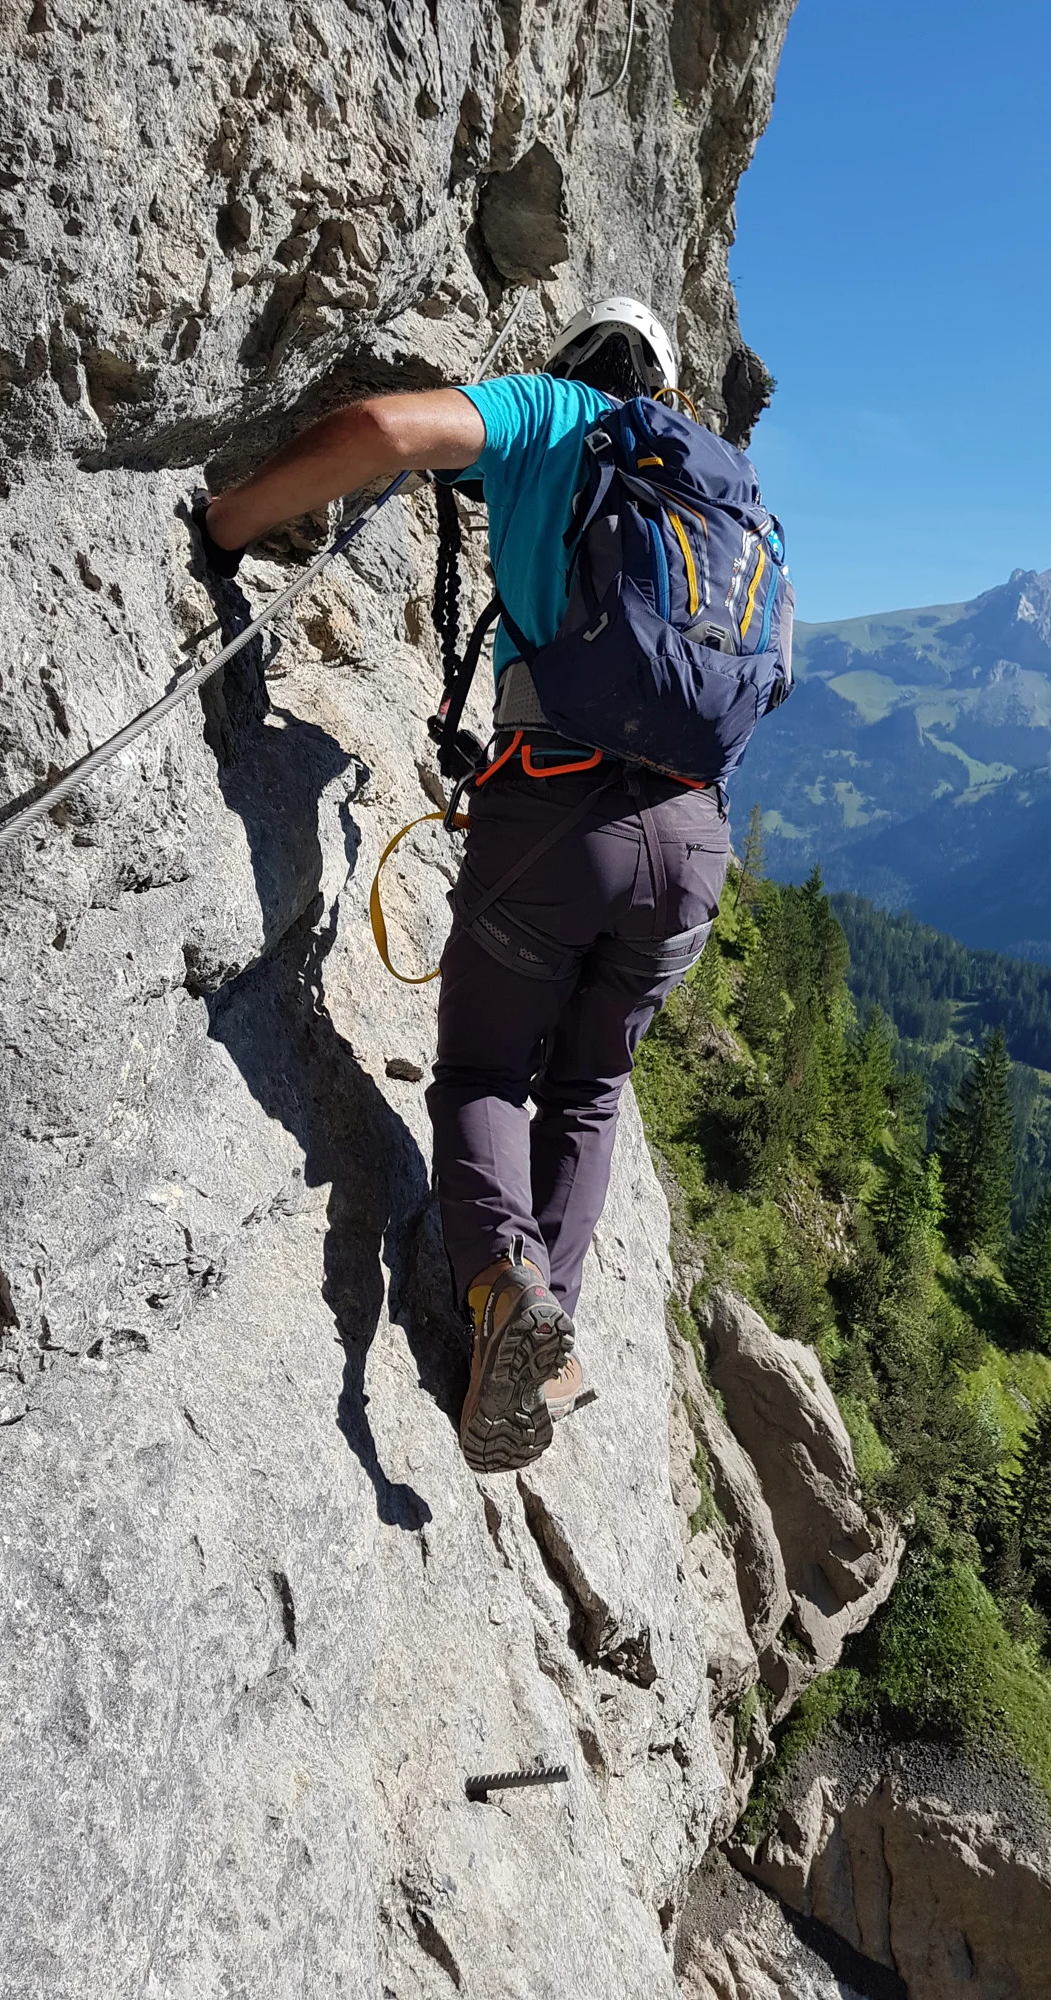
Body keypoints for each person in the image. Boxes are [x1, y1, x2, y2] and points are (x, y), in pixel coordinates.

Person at [197, 299, 735, 1476]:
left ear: (578, 359)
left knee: (489, 1070)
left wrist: (228, 525)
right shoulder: (716, 495)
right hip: (694, 845)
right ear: (663, 380)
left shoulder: (556, 414)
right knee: (588, 1088)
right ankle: (541, 1335)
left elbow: (384, 430)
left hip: (559, 814)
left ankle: (503, 1289)